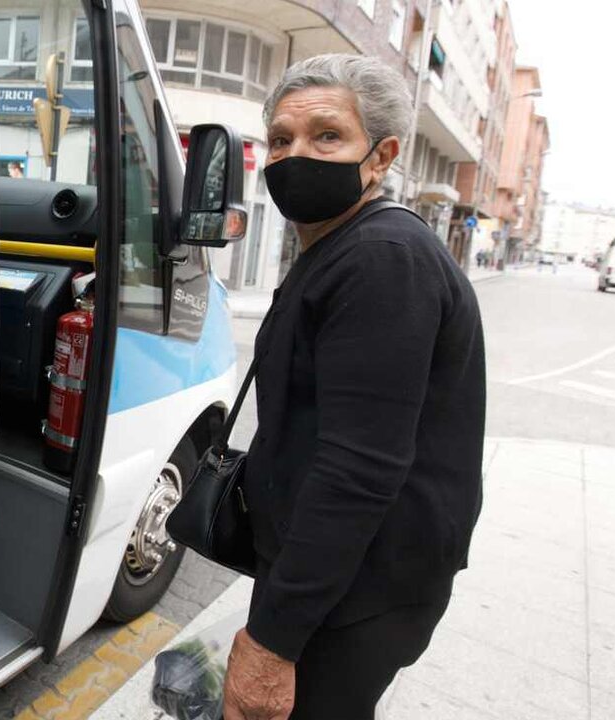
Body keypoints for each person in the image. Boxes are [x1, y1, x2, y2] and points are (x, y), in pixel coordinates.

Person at [222, 55, 485, 720]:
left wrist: (271, 644)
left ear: (381, 156)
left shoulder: (382, 260)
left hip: (358, 594)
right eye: (281, 139)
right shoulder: (341, 249)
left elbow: (358, 469)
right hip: (333, 577)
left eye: (327, 136)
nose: (294, 155)